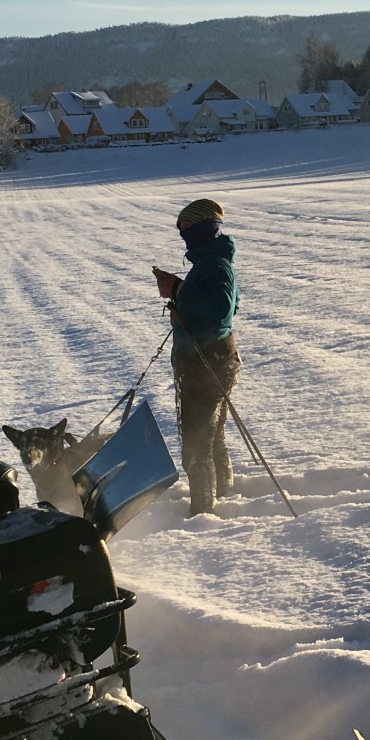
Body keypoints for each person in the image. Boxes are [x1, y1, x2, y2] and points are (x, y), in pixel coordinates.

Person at [153, 198, 240, 516]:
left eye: (187, 227)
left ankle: (202, 512)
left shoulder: (216, 265)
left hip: (209, 363)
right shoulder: (210, 263)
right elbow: (220, 311)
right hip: (211, 360)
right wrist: (181, 300)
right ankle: (223, 491)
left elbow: (220, 311)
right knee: (211, 433)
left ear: (206, 227)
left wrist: (177, 290)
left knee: (196, 440)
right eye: (180, 228)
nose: (183, 234)